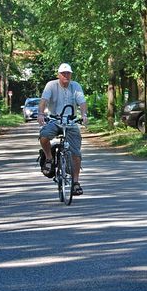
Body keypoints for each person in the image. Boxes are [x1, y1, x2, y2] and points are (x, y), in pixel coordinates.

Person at [38, 63, 88, 195]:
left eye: (68, 73)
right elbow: (43, 100)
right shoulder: (51, 85)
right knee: (43, 136)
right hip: (55, 120)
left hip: (71, 122)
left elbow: (82, 102)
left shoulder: (75, 86)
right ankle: (49, 158)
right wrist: (41, 114)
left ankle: (76, 182)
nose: (66, 76)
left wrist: (84, 115)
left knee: (76, 153)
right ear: (58, 75)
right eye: (63, 73)